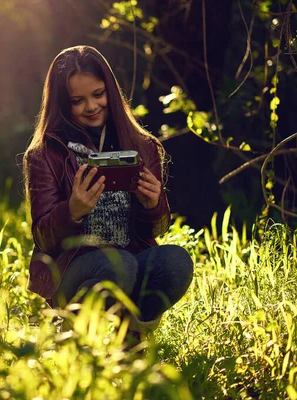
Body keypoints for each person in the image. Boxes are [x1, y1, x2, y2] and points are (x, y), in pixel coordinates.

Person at [23, 45, 193, 334]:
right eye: (78, 100)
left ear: (111, 93)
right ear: (63, 104)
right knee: (120, 265)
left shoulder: (142, 146)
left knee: (176, 261)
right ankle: (79, 328)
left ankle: (131, 336)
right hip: (72, 270)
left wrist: (154, 204)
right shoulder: (44, 154)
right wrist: (72, 211)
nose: (91, 107)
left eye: (98, 95)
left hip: (130, 259)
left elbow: (157, 228)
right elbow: (43, 236)